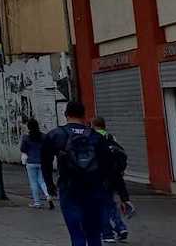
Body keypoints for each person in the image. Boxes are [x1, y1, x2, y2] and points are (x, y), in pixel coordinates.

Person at [42, 101, 130, 246]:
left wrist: (50, 185)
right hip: (94, 190)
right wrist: (124, 196)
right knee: (94, 235)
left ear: (66, 114)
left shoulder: (56, 135)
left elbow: (45, 163)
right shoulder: (96, 137)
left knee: (77, 234)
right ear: (84, 115)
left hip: (69, 189)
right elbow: (111, 169)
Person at [92, 117, 133, 242]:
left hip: (98, 176)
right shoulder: (111, 137)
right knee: (109, 203)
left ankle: (107, 234)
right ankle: (120, 227)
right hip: (113, 176)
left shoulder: (93, 138)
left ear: (94, 125)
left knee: (100, 206)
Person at [20, 118, 50, 209]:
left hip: (31, 162)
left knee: (33, 182)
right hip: (42, 161)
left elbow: (23, 149)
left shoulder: (26, 137)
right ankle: (48, 195)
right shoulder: (43, 136)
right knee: (42, 181)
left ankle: (37, 202)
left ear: (28, 127)